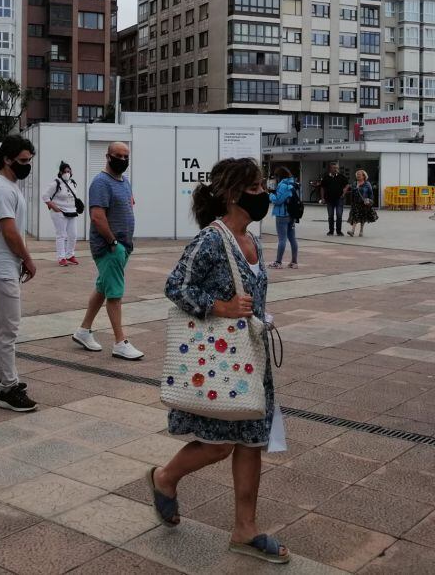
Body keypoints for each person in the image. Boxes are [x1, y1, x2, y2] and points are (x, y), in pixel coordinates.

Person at [149, 157, 288, 564]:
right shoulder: (212, 240)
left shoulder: (254, 240)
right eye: (257, 188)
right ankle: (164, 477)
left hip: (251, 358)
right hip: (220, 363)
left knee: (251, 442)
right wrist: (220, 307)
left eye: (263, 187)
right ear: (232, 194)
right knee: (219, 445)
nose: (263, 194)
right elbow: (175, 286)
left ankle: (245, 529)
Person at [0, 135, 38, 412]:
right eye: (23, 161)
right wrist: (27, 258)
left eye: (30, 161)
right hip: (1, 266)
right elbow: (9, 230)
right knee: (8, 329)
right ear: (7, 159)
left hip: (0, 266)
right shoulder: (3, 189)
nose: (27, 166)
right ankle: (8, 388)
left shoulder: (9, 187)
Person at [72, 142, 144, 360]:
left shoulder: (124, 181)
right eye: (118, 156)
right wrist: (113, 243)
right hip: (109, 246)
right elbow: (97, 216)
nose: (122, 160)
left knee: (104, 287)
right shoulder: (101, 182)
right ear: (108, 156)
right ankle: (120, 342)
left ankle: (83, 331)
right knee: (115, 294)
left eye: (126, 156)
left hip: (122, 246)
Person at [43, 162, 81, 268]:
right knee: (61, 235)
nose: (67, 173)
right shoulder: (56, 183)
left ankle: (70, 254)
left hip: (72, 211)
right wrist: (54, 207)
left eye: (69, 171)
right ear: (60, 172)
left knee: (73, 235)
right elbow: (45, 196)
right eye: (65, 171)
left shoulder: (73, 183)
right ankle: (61, 257)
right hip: (59, 212)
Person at [267, 167, 298, 269]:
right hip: (291, 215)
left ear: (279, 176)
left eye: (276, 176)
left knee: (282, 239)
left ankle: (278, 262)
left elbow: (278, 201)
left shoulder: (283, 185)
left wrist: (270, 195)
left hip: (282, 215)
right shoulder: (292, 184)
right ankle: (294, 262)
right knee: (292, 238)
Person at [320, 163, 348, 236]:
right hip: (329, 199)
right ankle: (331, 231)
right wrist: (322, 198)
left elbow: (347, 185)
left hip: (339, 199)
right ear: (330, 168)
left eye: (337, 168)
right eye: (334, 168)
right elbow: (322, 188)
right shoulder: (326, 177)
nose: (336, 169)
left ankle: (339, 231)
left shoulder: (341, 177)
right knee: (330, 216)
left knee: (339, 215)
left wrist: (344, 193)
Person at [346, 169, 377, 237]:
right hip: (356, 203)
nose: (358, 176)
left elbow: (371, 193)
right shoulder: (354, 183)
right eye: (357, 175)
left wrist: (370, 200)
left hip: (364, 203)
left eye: (359, 174)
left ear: (364, 176)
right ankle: (352, 231)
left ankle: (361, 231)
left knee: (363, 217)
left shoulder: (367, 184)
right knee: (355, 217)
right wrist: (351, 202)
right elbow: (352, 193)